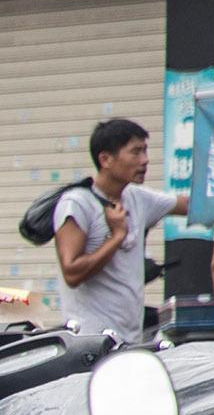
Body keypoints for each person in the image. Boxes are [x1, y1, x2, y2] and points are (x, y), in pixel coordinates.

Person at [49, 116, 185, 341]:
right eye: (135, 152)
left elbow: (189, 205)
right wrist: (117, 236)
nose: (145, 160)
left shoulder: (137, 197)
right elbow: (72, 272)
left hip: (130, 340)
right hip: (90, 343)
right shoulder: (78, 204)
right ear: (106, 159)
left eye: (145, 151)